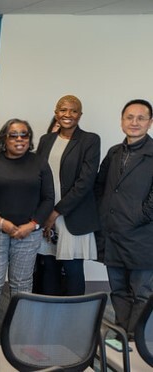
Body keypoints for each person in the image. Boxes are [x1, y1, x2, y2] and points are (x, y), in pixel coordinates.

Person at [0, 118, 54, 325]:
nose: (19, 139)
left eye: (24, 135)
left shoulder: (40, 163)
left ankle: (19, 329)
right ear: (4, 139)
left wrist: (33, 225)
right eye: (14, 135)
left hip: (28, 234)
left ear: (29, 138)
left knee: (22, 283)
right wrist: (0, 222)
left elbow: (48, 199)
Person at [95, 99, 153, 337]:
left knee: (142, 293)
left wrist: (137, 216)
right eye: (129, 117)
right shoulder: (114, 153)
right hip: (113, 235)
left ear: (150, 122)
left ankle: (137, 341)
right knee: (118, 291)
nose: (134, 122)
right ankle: (122, 336)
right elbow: (100, 187)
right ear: (121, 121)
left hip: (142, 237)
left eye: (141, 118)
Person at [36, 95, 100, 296]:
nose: (68, 114)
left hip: (72, 215)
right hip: (46, 213)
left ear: (80, 115)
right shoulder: (46, 140)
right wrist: (42, 212)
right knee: (48, 267)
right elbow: (37, 175)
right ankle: (50, 311)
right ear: (56, 113)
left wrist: (56, 212)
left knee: (72, 270)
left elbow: (85, 182)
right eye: (63, 110)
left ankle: (76, 314)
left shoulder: (90, 140)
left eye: (73, 110)